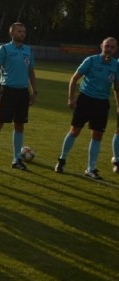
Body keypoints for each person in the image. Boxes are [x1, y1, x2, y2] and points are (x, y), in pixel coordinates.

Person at [54, 37, 119, 180]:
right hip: (85, 100)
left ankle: (91, 168)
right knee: (75, 131)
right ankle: (61, 160)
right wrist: (71, 98)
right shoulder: (91, 60)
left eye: (112, 47)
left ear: (116, 49)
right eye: (107, 46)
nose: (109, 49)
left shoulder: (116, 65)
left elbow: (117, 87)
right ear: (102, 46)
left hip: (102, 103)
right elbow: (74, 79)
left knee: (97, 135)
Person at [0, 22, 37, 171]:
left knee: (19, 125)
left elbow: (31, 72)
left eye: (24, 31)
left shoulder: (28, 50)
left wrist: (34, 91)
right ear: (12, 33)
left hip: (23, 92)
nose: (22, 34)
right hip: (6, 90)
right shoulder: (4, 49)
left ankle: (16, 160)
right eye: (19, 31)